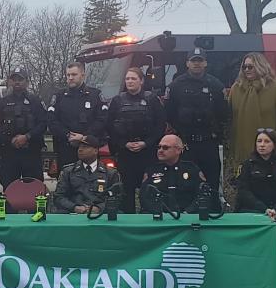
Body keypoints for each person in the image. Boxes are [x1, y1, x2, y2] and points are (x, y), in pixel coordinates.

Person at [235, 129, 276, 287]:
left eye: (266, 142)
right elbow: (244, 191)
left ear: (274, 145)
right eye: (259, 141)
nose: (262, 145)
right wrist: (263, 209)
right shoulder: (248, 165)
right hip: (254, 208)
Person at [164, 48, 230, 189]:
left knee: (211, 182)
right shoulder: (176, 85)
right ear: (187, 63)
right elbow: (169, 112)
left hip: (208, 143)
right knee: (185, 183)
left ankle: (212, 209)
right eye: (193, 60)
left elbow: (223, 113)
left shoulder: (216, 85)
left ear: (205, 63)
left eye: (199, 60)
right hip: (185, 144)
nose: (196, 64)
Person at [105, 68, 165, 213]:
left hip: (148, 153)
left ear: (141, 81)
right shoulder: (117, 101)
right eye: (127, 79)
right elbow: (109, 127)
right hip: (126, 154)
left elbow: (160, 126)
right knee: (126, 191)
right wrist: (124, 144)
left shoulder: (152, 99)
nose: (130, 81)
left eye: (133, 78)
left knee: (149, 189)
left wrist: (146, 143)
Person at [226, 52, 276, 179]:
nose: (246, 70)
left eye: (250, 67)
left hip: (268, 153)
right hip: (241, 149)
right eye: (244, 67)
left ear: (260, 66)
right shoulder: (236, 89)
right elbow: (229, 117)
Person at [46, 62, 108, 174]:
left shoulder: (95, 95)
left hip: (89, 148)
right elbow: (51, 120)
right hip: (65, 148)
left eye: (74, 74)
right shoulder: (59, 96)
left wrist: (83, 137)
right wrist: (68, 135)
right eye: (68, 75)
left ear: (82, 75)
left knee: (91, 184)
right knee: (67, 184)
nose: (70, 78)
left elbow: (102, 119)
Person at [0, 68, 48, 189]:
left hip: (31, 152)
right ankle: (11, 208)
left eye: (20, 79)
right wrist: (11, 141)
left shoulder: (35, 101)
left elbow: (43, 123)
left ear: (27, 82)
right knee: (10, 188)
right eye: (14, 79)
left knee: (34, 190)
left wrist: (27, 137)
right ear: (10, 82)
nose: (17, 82)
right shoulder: (2, 102)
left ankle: (32, 209)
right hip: (9, 152)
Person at [52, 136, 122, 213]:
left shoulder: (110, 173)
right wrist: (74, 207)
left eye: (85, 147)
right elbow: (59, 197)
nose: (80, 150)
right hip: (73, 213)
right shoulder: (68, 171)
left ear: (95, 150)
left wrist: (98, 208)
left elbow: (117, 198)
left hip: (100, 214)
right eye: (79, 147)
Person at [140, 134, 203, 214]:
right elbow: (144, 197)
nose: (160, 150)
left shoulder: (191, 169)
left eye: (165, 148)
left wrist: (188, 212)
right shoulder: (152, 170)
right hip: (158, 218)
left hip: (187, 218)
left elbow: (201, 195)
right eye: (159, 147)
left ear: (178, 150)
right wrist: (158, 213)